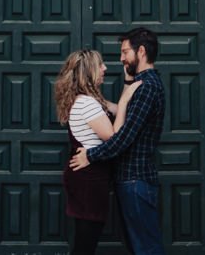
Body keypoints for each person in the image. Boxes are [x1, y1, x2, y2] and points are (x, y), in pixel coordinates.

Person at [69, 27, 166, 255]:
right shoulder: (139, 85)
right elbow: (121, 111)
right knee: (138, 246)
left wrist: (90, 156)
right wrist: (119, 89)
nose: (121, 58)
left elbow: (123, 138)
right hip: (131, 180)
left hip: (136, 180)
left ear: (140, 51)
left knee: (146, 248)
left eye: (125, 52)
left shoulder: (146, 88)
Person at [55, 48, 142, 255]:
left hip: (87, 178)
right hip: (88, 181)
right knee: (86, 244)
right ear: (89, 71)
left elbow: (120, 110)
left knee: (85, 240)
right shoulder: (87, 104)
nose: (105, 68)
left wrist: (128, 84)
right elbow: (114, 136)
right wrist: (124, 100)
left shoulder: (90, 101)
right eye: (100, 65)